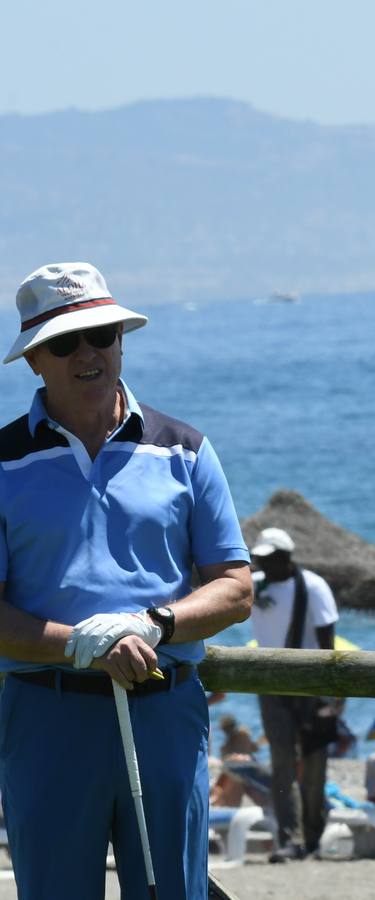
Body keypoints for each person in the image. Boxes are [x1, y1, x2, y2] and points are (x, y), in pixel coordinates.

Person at [0, 262, 252, 899]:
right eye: (65, 342)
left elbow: (235, 587)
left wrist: (154, 624)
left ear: (120, 341)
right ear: (35, 361)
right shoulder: (0, 464)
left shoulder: (186, 449)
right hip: (46, 716)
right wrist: (78, 643)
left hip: (165, 707)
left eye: (103, 335)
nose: (89, 352)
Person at [249, 526, 340, 862]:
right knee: (282, 763)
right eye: (260, 559)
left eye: (269, 559)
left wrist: (329, 694)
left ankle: (313, 833)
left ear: (286, 558)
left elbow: (327, 641)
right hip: (270, 684)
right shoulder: (254, 588)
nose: (263, 565)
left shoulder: (314, 587)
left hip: (311, 685)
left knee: (314, 765)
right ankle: (291, 837)